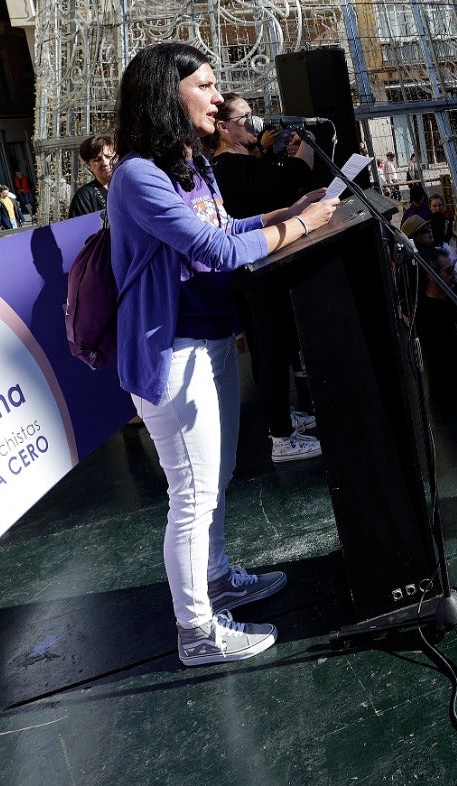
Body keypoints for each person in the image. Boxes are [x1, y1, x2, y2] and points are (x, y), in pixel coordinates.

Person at [108, 41, 338, 666]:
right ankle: (197, 633)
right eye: (205, 86)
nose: (218, 97)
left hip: (209, 341)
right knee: (192, 493)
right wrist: (303, 227)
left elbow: (225, 230)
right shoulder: (137, 176)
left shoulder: (188, 165)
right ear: (167, 94)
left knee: (218, 479)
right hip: (170, 352)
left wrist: (288, 210)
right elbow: (215, 253)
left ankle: (217, 579)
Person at [205, 93, 322, 462]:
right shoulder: (229, 167)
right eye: (245, 117)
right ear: (223, 127)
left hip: (260, 270)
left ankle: (281, 418)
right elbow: (293, 176)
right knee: (270, 351)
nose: (254, 123)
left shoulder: (242, 163)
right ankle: (282, 437)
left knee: (271, 348)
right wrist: (306, 144)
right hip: (256, 273)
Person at [67, 135, 116, 218]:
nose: (105, 163)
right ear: (89, 165)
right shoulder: (85, 196)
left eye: (109, 157)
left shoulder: (128, 187)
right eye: (97, 159)